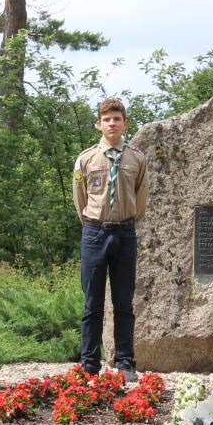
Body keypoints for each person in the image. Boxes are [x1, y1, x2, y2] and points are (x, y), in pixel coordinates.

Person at [73, 97, 148, 383]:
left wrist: (125, 220)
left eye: (117, 119)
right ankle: (89, 362)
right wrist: (94, 222)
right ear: (99, 124)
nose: (112, 123)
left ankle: (125, 361)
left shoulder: (136, 159)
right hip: (94, 232)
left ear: (125, 123)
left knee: (123, 302)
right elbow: (79, 198)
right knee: (92, 302)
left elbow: (141, 199)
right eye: (107, 119)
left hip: (125, 232)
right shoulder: (86, 158)